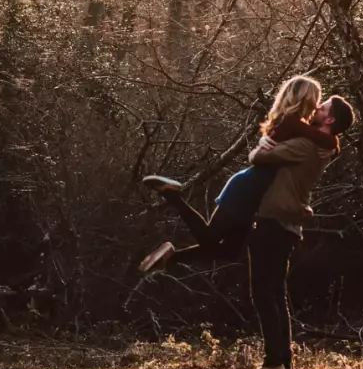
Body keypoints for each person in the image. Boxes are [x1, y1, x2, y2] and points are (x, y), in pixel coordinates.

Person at [137, 75, 338, 273]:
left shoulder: (289, 124)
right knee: (209, 236)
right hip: (246, 190)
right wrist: (333, 143)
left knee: (230, 252)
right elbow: (321, 139)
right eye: (317, 101)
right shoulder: (292, 124)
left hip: (252, 192)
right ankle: (171, 194)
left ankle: (169, 257)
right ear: (306, 99)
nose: (317, 106)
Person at [245, 94, 355, 369]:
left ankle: (273, 364)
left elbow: (260, 158)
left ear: (329, 119)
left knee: (263, 292)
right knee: (275, 294)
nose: (316, 108)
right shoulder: (318, 146)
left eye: (322, 107)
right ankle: (282, 364)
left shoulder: (306, 145)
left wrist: (260, 145)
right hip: (287, 223)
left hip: (275, 221)